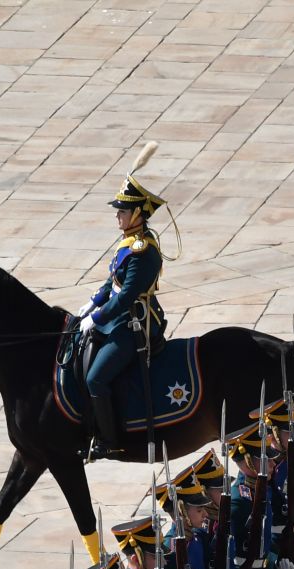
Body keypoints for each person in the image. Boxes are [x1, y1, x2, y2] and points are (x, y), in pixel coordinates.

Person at [79, 154, 167, 458]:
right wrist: (93, 301)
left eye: (123, 211)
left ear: (138, 214)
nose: (118, 216)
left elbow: (128, 295)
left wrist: (100, 315)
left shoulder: (144, 251)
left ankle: (109, 440)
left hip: (136, 323)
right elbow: (113, 282)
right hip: (118, 318)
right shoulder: (129, 242)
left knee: (96, 378)